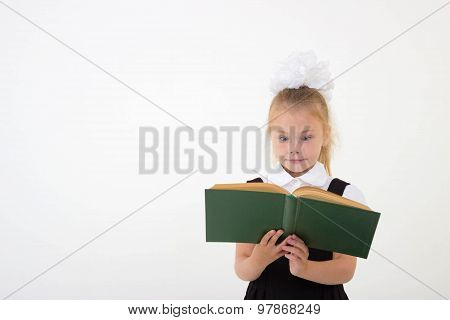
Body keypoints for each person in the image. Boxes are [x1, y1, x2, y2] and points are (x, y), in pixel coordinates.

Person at [234, 50, 368, 299]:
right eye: (283, 137)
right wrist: (259, 260)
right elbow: (242, 267)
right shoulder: (253, 192)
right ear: (271, 136)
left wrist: (305, 268)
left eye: (306, 137)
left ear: (325, 135)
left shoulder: (344, 195)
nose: (294, 148)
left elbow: (346, 269)